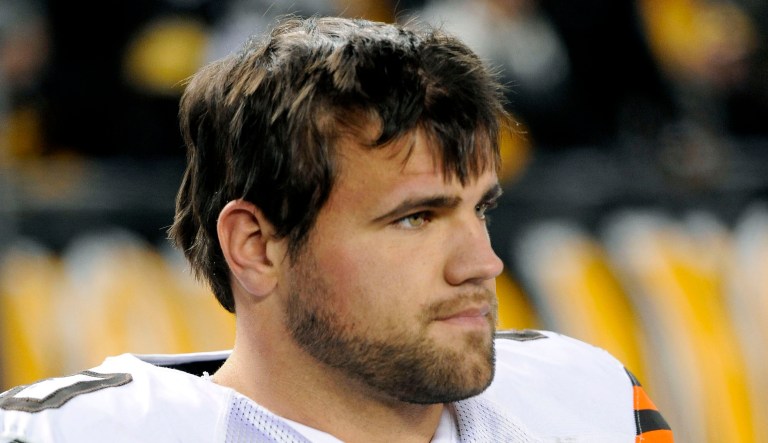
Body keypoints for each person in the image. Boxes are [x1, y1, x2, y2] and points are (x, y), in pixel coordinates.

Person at [0, 15, 673, 442]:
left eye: (481, 209)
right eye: (416, 217)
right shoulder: (76, 432)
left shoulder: (587, 397)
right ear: (257, 246)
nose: (482, 262)